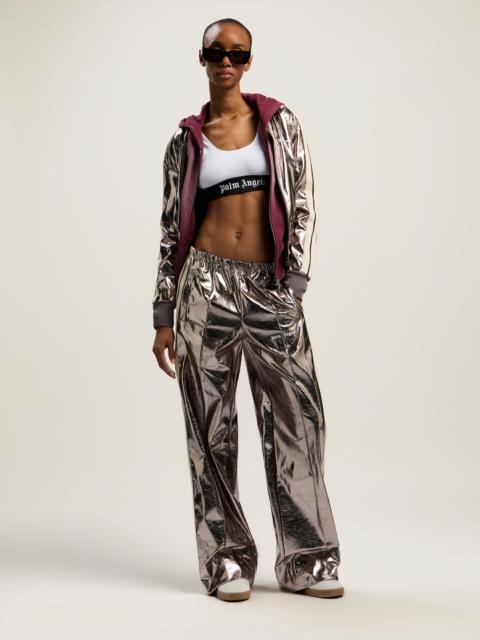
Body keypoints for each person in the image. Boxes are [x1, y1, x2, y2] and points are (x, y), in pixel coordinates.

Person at [152, 17, 344, 602]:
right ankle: (227, 560)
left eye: (237, 53)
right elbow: (171, 231)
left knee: (297, 420)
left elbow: (303, 199)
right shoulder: (185, 142)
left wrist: (295, 283)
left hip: (269, 288)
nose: (226, 63)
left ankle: (307, 559)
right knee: (209, 429)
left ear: (249, 61)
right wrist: (164, 314)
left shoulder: (278, 124)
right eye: (217, 52)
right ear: (202, 58)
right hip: (204, 290)